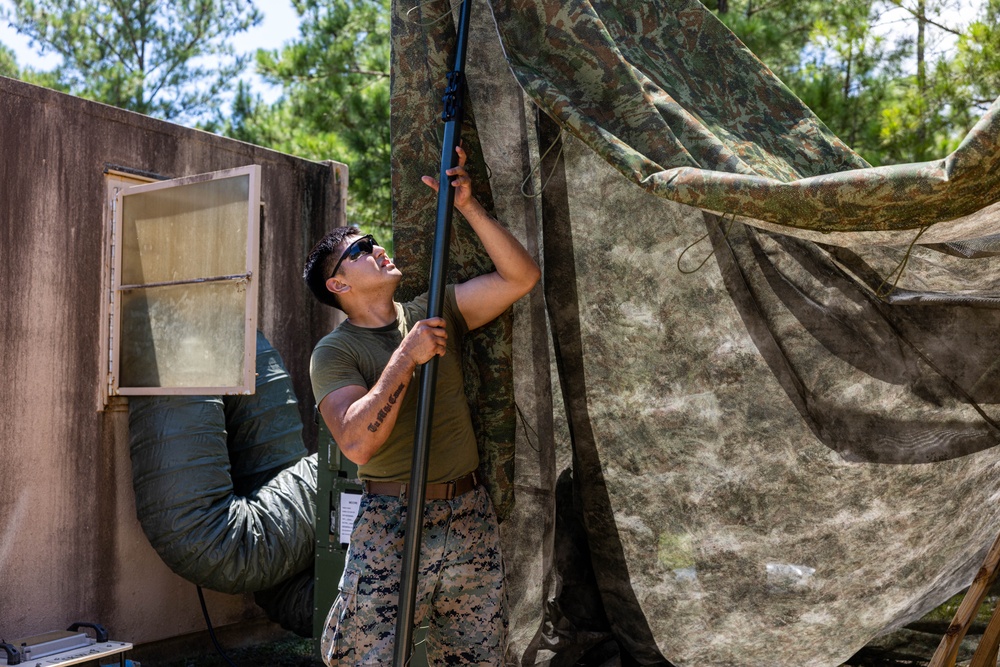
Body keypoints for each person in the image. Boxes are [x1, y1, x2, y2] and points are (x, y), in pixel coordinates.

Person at [303, 145, 540, 666]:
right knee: (367, 659)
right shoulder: (336, 352)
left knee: (477, 660)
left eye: (373, 238)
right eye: (361, 246)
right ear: (338, 283)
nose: (377, 246)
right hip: (391, 519)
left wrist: (469, 208)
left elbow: (521, 278)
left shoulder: (433, 311)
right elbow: (358, 442)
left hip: (468, 514)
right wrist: (406, 357)